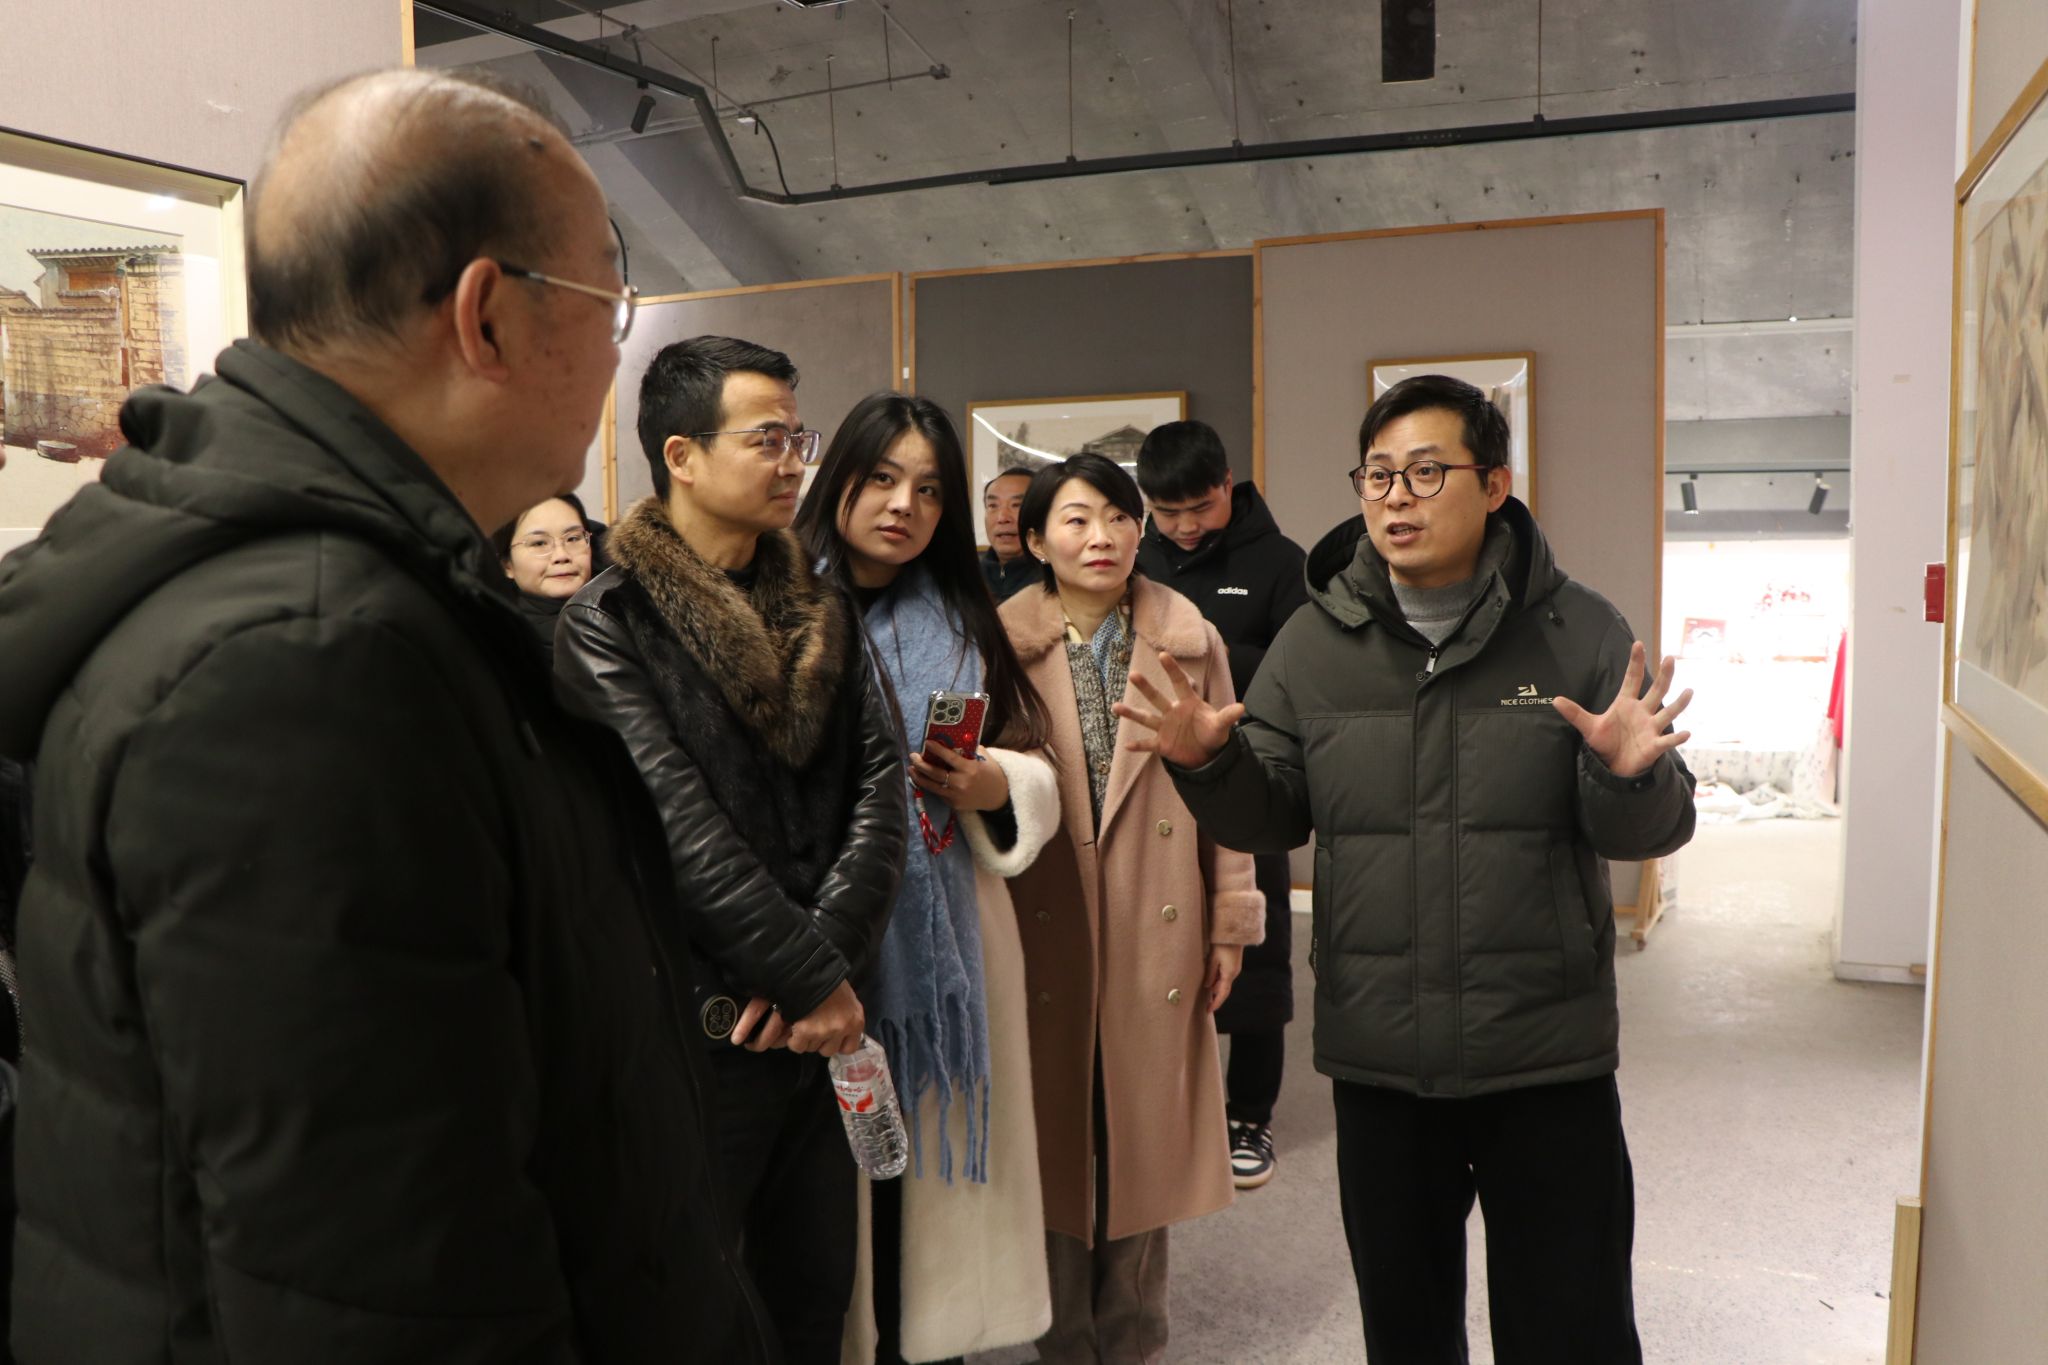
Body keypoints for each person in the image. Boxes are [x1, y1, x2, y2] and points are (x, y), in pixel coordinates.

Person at [0, 69, 770, 1362]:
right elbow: (381, 1287)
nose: (614, 351)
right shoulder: (304, 667)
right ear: (488, 317)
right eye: (610, 302)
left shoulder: (378, 600)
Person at [1117, 374, 1698, 1364]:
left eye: (1426, 472)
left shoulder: (1578, 631)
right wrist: (1209, 767)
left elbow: (1648, 831)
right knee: (1405, 1330)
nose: (1396, 497)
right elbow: (1275, 814)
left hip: (1542, 1051)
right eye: (1378, 475)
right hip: (1380, 1054)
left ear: (1495, 483)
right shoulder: (1315, 642)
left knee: (1573, 1327)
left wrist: (1628, 774)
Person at [554, 336, 906, 1365]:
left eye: (798, 436)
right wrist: (808, 977)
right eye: (768, 439)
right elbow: (674, 825)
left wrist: (823, 973)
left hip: (817, 1028)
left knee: (814, 1303)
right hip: (695, 1036)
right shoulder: (608, 621)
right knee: (693, 1313)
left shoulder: (822, 605)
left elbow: (880, 789)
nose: (795, 460)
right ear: (683, 454)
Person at [795, 392, 1061, 1365]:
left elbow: (1033, 761)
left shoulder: (963, 619)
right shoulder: (776, 604)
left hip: (946, 938)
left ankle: (923, 1343)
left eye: (929, 489)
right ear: (839, 479)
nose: (903, 505)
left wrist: (997, 783)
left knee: (919, 1183)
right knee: (819, 1195)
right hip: (812, 933)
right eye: (880, 478)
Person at [997, 453, 1264, 1365]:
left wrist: (1231, 919)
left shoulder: (1191, 638)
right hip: (1046, 917)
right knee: (1055, 1132)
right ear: (1037, 541)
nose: (1101, 536)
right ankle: (1062, 1339)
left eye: (1117, 517)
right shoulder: (999, 647)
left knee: (1142, 1131)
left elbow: (1228, 790)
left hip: (1158, 912)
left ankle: (1133, 1335)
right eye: (1075, 520)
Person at [1134, 418, 1307, 1191]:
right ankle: (1170, 1105)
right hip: (1149, 779)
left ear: (1228, 484)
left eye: (1200, 507)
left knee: (1253, 945)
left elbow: (1298, 665)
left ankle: (1250, 1114)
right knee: (1156, 942)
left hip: (1247, 774)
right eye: (1166, 512)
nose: (1184, 526)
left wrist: (1205, 657)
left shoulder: (1280, 562)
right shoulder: (1133, 558)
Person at [491, 491, 603, 652]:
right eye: (539, 543)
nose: (561, 556)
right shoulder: (496, 645)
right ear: (507, 565)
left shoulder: (625, 612)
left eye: (573, 538)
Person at [980, 468, 1036, 602]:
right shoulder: (965, 580)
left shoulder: (1059, 582)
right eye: (993, 506)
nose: (1002, 518)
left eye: (1017, 505)